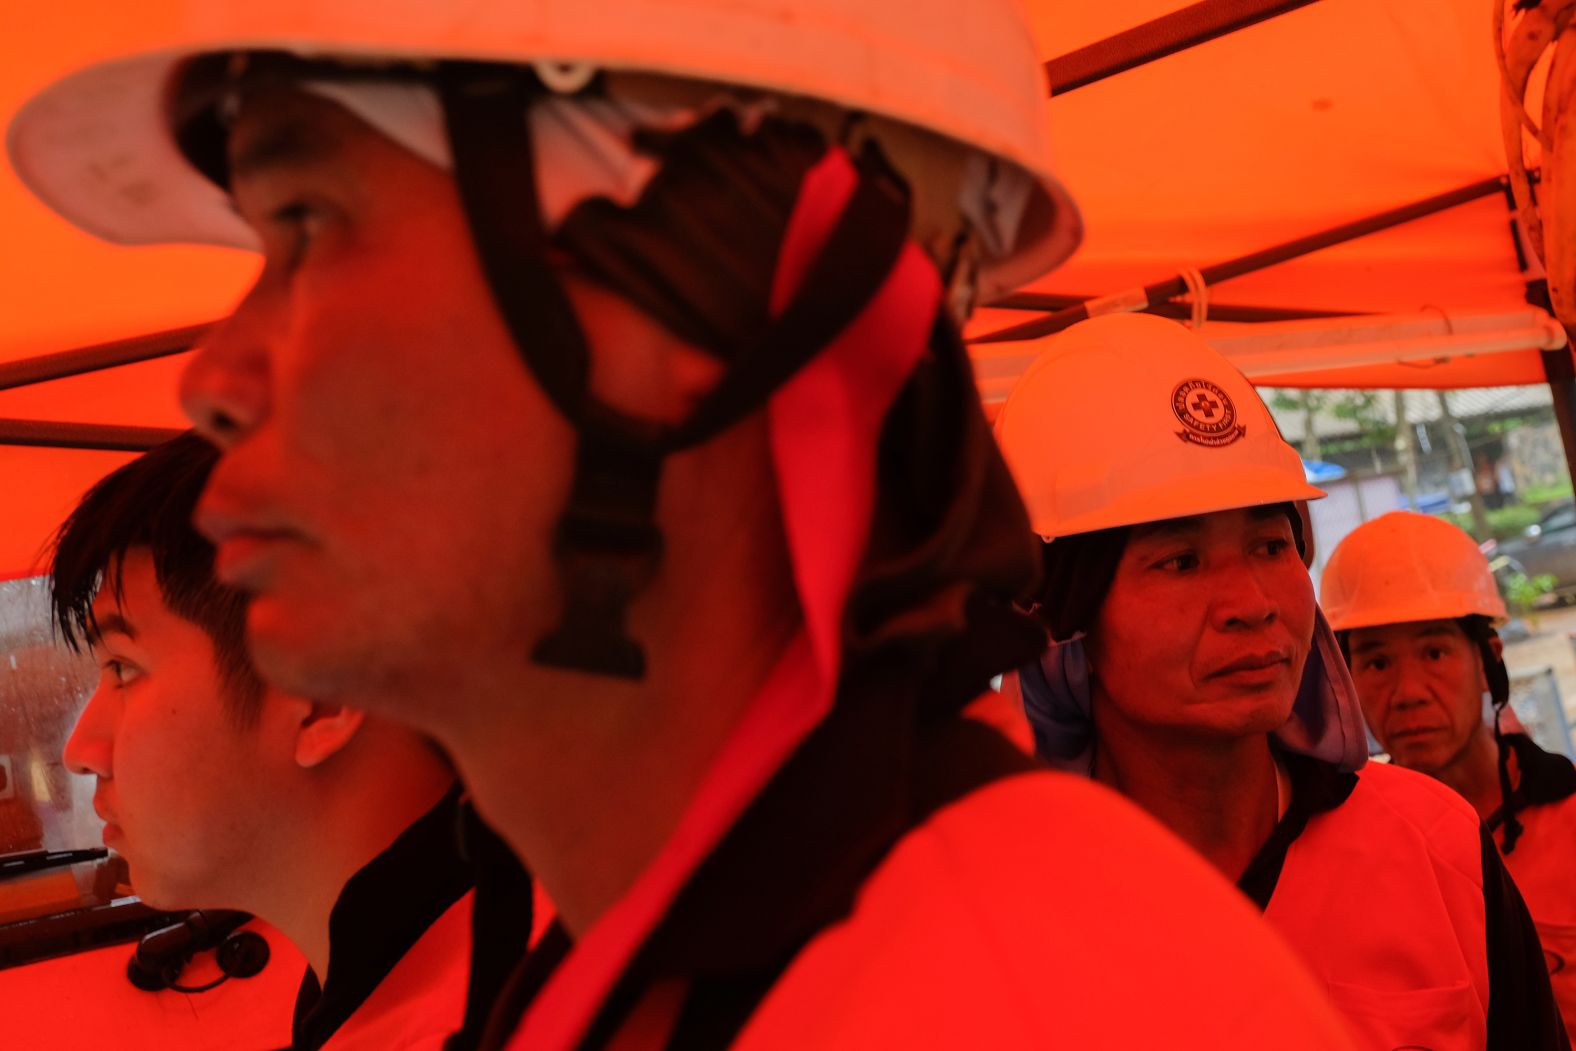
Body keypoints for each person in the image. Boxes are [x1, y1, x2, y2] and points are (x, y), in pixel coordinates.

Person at [11, 5, 1356, 1047]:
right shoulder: (636, 968)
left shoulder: (1029, 996)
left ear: (698, 304)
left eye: (306, 226)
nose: (214, 377)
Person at [994, 312, 1568, 1051]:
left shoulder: (1433, 847)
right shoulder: (1002, 912)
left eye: (1271, 544)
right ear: (1060, 618)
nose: (1254, 602)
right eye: (1181, 561)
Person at [51, 432, 533, 1051]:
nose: (79, 751)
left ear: (321, 702)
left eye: (122, 668)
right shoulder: (417, 963)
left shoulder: (489, 1018)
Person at [1323, 509, 1576, 1033]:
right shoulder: (1346, 856)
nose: (1409, 692)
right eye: (1376, 663)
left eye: (1434, 652)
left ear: (1489, 661)